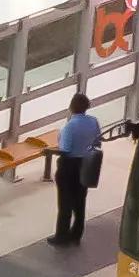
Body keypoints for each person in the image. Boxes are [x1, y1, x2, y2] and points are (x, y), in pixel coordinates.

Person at [52, 90, 104, 246]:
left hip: (68, 167)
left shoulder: (69, 126)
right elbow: (97, 142)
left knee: (65, 202)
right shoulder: (93, 121)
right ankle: (76, 234)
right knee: (80, 201)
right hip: (86, 165)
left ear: (71, 107)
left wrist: (49, 150)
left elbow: (65, 149)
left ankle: (61, 236)